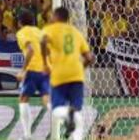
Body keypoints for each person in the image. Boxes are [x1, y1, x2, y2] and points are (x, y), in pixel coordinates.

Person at [41, 7, 94, 140]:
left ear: (56, 16)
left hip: (59, 74)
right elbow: (90, 57)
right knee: (76, 111)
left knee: (56, 108)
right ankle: (71, 119)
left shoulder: (50, 29)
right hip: (76, 74)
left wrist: (45, 62)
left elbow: (42, 41)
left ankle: (66, 114)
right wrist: (81, 68)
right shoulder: (76, 32)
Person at [16, 11, 50, 140]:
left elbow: (30, 49)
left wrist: (23, 70)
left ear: (20, 22)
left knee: (23, 99)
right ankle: (66, 119)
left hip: (32, 69)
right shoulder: (39, 32)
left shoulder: (22, 32)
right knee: (47, 99)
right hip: (45, 70)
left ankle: (27, 136)